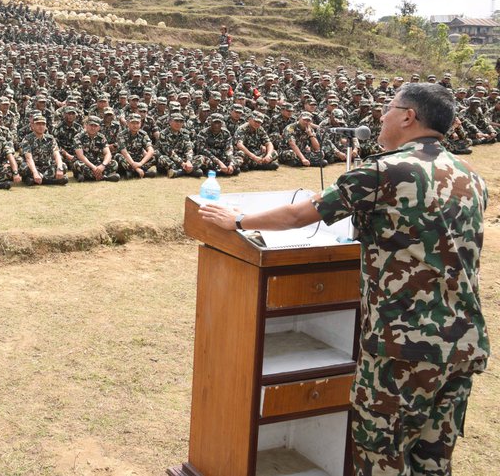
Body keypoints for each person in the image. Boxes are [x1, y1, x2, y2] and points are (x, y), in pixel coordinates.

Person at [199, 83, 489, 476]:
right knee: (433, 461)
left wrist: (236, 220)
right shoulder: (470, 175)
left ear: (408, 117)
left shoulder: (385, 169)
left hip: (401, 349)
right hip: (462, 345)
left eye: (388, 109)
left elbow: (299, 216)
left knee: (380, 455)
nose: (381, 118)